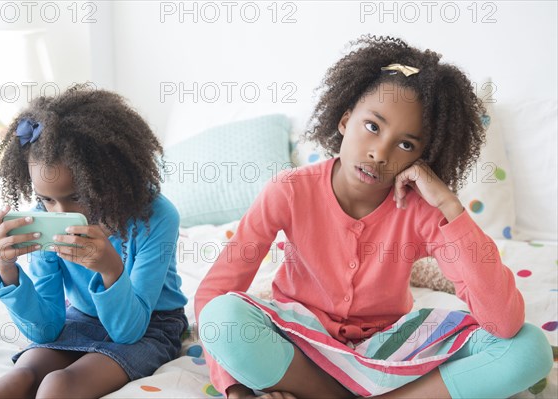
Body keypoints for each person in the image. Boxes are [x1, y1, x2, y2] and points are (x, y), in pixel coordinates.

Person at [195, 36, 553, 399]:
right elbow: (213, 294)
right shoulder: (289, 191)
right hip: (297, 343)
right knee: (221, 318)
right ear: (345, 119)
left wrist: (448, 206)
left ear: (423, 156)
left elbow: (502, 321)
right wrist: (236, 390)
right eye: (372, 126)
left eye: (406, 144)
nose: (380, 153)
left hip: (390, 349)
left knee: (528, 349)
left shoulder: (423, 211)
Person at [0, 84, 188, 398]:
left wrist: (111, 271)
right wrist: (8, 272)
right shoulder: (42, 221)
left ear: (109, 178)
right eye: (46, 199)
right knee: (18, 378)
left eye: (76, 197)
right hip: (82, 316)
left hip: (149, 323)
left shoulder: (156, 217)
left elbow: (128, 331)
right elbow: (45, 330)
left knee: (58, 385)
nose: (61, 213)